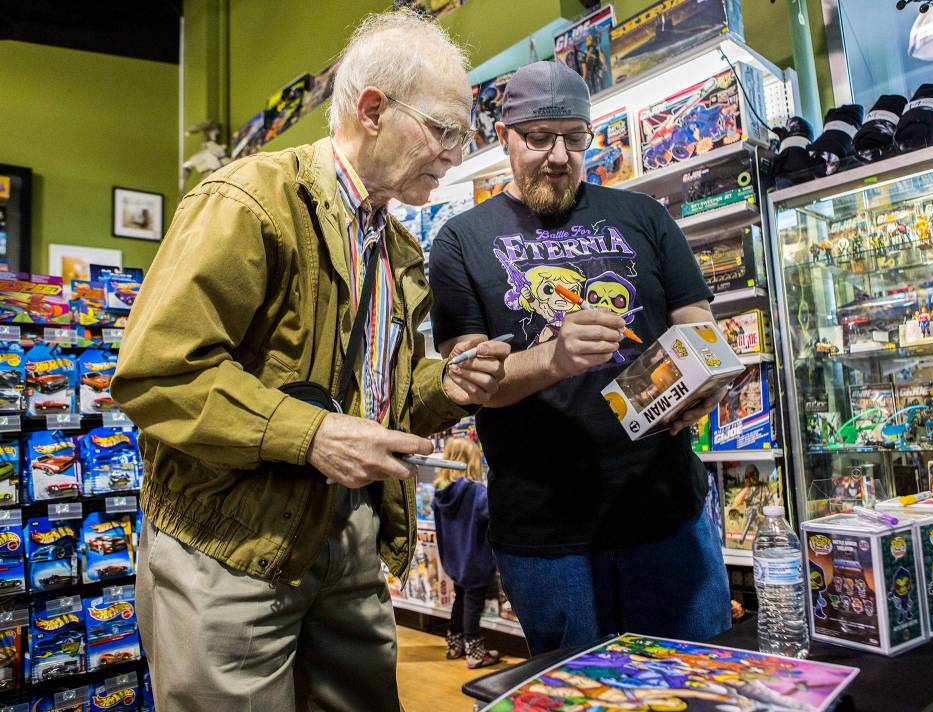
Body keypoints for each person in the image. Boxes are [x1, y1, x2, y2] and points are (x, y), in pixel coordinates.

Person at [111, 11, 511, 711]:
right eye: (443, 131)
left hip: (347, 542)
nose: (454, 153)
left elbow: (374, 395)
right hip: (230, 548)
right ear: (372, 110)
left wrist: (447, 382)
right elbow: (159, 372)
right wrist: (315, 436)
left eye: (462, 135)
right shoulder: (248, 200)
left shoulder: (398, 248)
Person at [428, 61, 732, 655]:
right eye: (539, 139)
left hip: (667, 512)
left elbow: (697, 323)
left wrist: (708, 378)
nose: (559, 155)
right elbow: (469, 381)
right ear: (505, 137)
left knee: (701, 684)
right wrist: (552, 359)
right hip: (547, 534)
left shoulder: (644, 216)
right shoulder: (460, 240)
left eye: (575, 137)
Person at [431, 437, 501, 669]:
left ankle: (455, 644)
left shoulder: (440, 493)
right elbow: (493, 515)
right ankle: (475, 652)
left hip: (454, 562)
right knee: (473, 605)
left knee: (459, 600)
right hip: (476, 562)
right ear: (471, 462)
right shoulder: (477, 493)